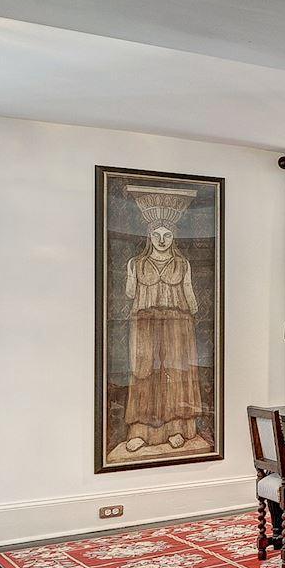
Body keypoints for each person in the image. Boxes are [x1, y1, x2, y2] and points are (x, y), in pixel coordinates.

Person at [121, 186, 202, 453]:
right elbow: (130, 293)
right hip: (144, 323)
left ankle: (177, 428)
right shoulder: (136, 263)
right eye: (157, 234)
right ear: (149, 235)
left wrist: (193, 314)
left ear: (174, 237)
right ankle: (141, 431)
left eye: (167, 235)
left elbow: (190, 298)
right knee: (143, 373)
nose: (162, 239)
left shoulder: (182, 263)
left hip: (177, 324)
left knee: (175, 373)